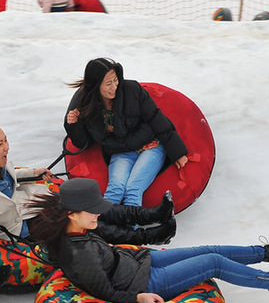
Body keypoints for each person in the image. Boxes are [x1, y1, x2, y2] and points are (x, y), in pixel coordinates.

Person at [29, 178, 269, 303]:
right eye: (93, 209)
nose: (99, 213)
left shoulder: (80, 227)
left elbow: (116, 239)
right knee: (213, 263)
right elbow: (105, 291)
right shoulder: (79, 254)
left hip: (140, 263)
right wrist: (140, 298)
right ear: (72, 213)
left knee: (207, 250)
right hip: (144, 281)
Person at [64, 57, 188, 208]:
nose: (114, 87)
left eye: (115, 80)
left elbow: (156, 118)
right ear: (96, 85)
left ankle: (131, 231)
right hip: (121, 151)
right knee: (114, 191)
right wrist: (73, 126)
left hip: (150, 145)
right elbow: (85, 143)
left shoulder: (132, 90)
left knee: (133, 190)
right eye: (108, 83)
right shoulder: (88, 106)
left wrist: (177, 151)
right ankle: (104, 230)